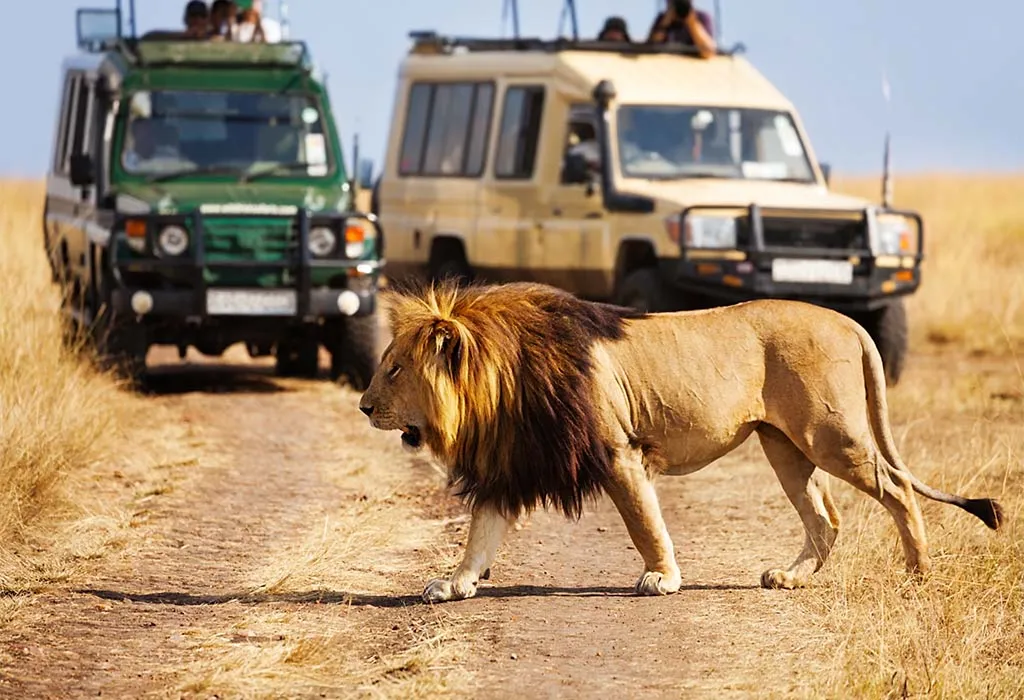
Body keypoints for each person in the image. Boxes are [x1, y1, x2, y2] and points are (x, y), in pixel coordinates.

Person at [647, 0, 717, 58]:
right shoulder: (662, 19)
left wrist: (691, 21)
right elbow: (649, 50)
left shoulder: (701, 18)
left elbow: (708, 52)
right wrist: (665, 22)